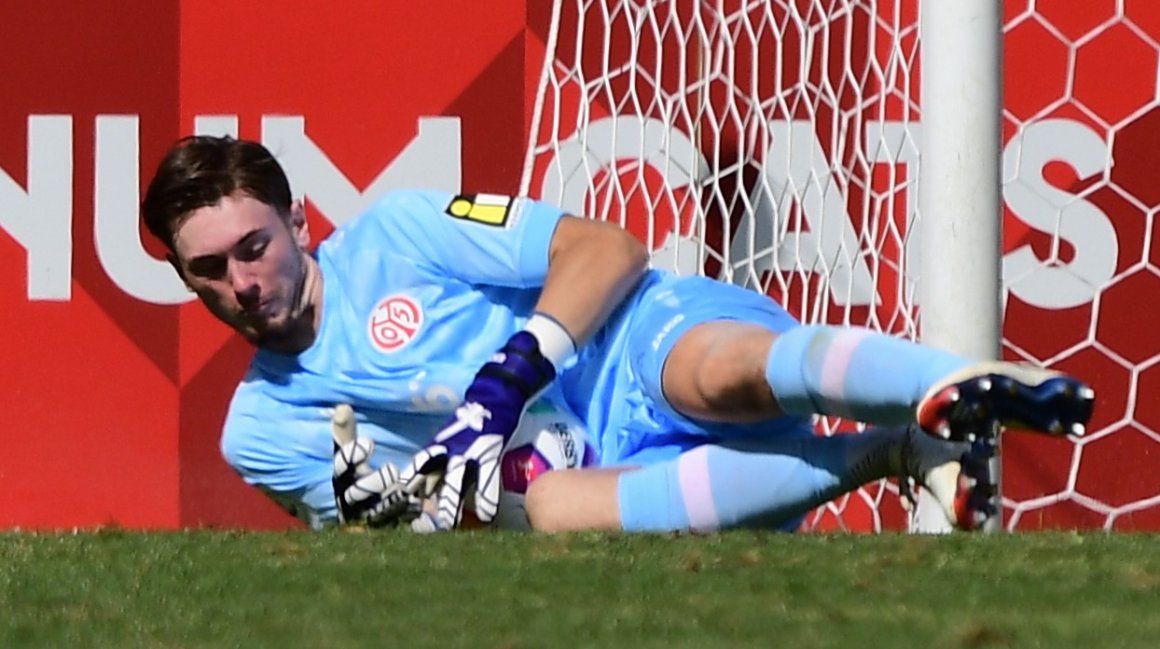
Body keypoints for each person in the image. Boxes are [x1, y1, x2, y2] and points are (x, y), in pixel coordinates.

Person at [141, 135, 1094, 533]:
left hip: (629, 346)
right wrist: (416, 502)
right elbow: (402, 525)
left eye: (252, 246)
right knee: (546, 516)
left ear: (299, 221)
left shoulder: (397, 232)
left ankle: (963, 379)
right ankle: (893, 450)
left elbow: (607, 246)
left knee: (710, 374)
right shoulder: (261, 430)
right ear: (185, 281)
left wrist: (510, 378)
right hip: (571, 473)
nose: (242, 282)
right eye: (210, 270)